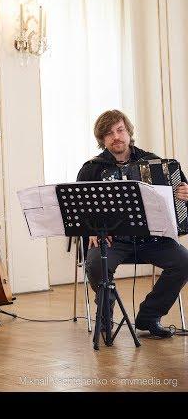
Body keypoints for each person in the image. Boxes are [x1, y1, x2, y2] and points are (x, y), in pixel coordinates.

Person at [77, 109, 188, 338]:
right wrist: (91, 232)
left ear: (128, 132)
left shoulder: (154, 162)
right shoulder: (92, 169)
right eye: (109, 133)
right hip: (112, 241)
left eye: (120, 130)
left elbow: (178, 196)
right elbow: (79, 209)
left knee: (184, 261)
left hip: (153, 239)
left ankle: (148, 316)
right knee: (97, 263)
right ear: (102, 140)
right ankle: (105, 317)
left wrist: (185, 193)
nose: (116, 136)